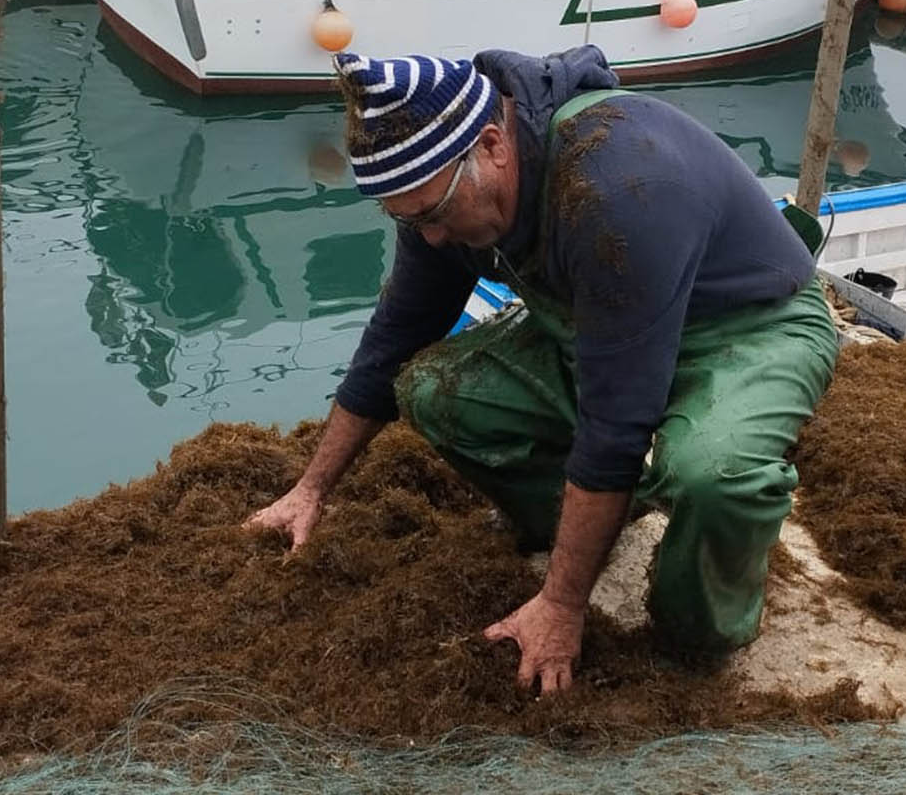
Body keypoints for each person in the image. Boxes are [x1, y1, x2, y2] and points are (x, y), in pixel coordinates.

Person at [245, 46, 839, 695]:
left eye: (435, 214)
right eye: (408, 220)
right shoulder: (442, 191)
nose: (433, 238)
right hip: (595, 316)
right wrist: (312, 490)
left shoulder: (617, 189)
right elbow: (395, 339)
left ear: (493, 145)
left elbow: (616, 425)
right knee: (431, 389)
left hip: (750, 323)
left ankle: (699, 632)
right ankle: (572, 527)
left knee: (711, 472)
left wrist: (562, 607)